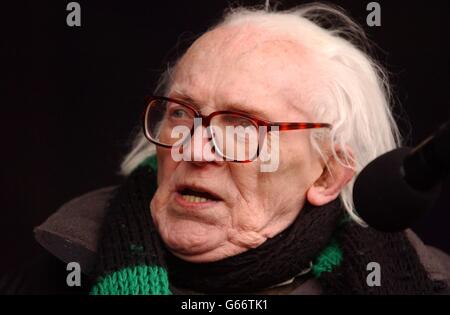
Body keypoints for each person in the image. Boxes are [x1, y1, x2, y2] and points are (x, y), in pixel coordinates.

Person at [27, 3, 450, 294]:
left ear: (326, 173)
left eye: (242, 127)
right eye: (180, 114)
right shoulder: (60, 268)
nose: (195, 149)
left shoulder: (423, 281)